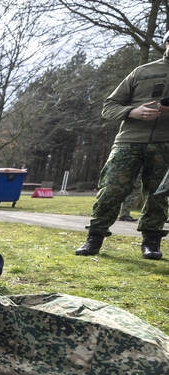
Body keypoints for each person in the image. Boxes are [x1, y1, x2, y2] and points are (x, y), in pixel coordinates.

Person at [75, 32, 169, 260]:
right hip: (128, 141)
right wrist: (132, 111)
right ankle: (94, 239)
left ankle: (151, 242)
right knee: (111, 189)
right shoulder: (142, 71)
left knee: (159, 195)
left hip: (165, 144)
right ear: (167, 43)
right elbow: (109, 106)